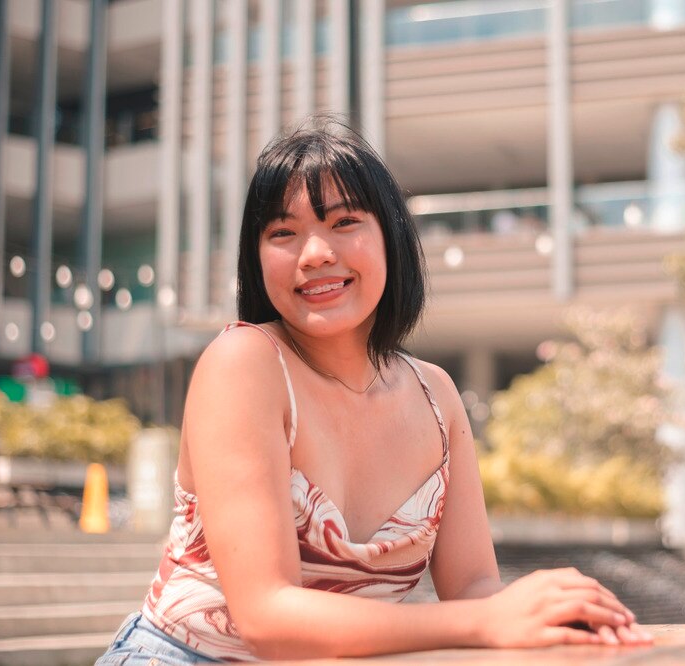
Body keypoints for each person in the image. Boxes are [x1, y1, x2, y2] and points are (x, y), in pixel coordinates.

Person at [97, 116, 651, 665]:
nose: (314, 253)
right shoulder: (244, 364)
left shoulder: (437, 396)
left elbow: (475, 587)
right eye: (283, 232)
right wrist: (485, 621)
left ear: (391, 238)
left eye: (344, 222)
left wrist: (550, 614)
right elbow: (267, 618)